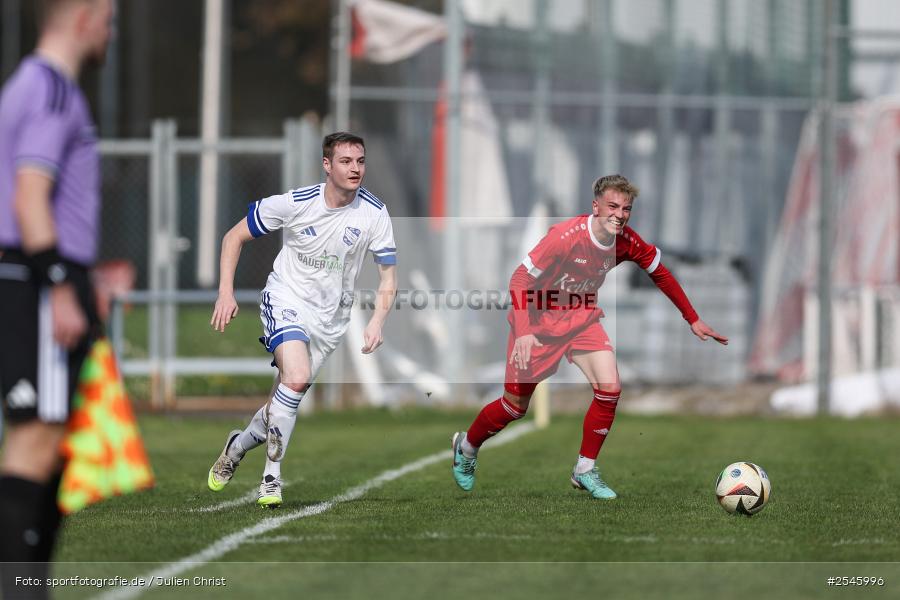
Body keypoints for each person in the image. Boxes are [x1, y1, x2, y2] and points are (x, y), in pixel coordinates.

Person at [451, 174, 728, 499]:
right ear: (595, 206)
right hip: (538, 324)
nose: (619, 214)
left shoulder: (627, 242)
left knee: (610, 387)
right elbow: (520, 278)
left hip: (582, 319)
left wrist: (692, 318)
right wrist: (524, 332)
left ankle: (584, 470)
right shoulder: (565, 237)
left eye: (626, 209)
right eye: (612, 206)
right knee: (514, 408)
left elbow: (661, 273)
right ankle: (467, 448)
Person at [207, 132, 397, 508]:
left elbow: (388, 277)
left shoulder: (375, 213)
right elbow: (233, 237)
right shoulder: (296, 203)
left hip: (331, 320)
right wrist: (225, 292)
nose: (355, 168)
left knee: (286, 398)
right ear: (327, 165)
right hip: (287, 298)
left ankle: (238, 444)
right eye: (345, 161)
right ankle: (271, 480)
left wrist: (377, 321)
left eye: (359, 161)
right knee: (296, 378)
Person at [0, 0, 114, 594]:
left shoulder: (38, 84)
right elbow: (28, 195)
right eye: (109, 18)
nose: (111, 30)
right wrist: (60, 286)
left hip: (48, 274)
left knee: (55, 444)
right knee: (34, 438)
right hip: (37, 278)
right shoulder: (49, 89)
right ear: (84, 15)